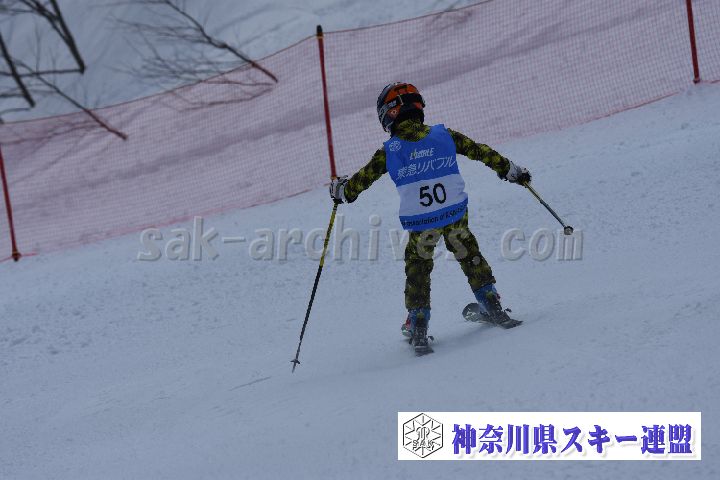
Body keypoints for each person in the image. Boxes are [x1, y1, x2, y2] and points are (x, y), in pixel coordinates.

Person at [329, 82, 531, 352]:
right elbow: (481, 151)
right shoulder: (444, 135)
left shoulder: (390, 150)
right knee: (468, 252)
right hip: (454, 212)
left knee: (418, 266)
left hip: (421, 221)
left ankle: (418, 321)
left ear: (388, 114)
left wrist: (341, 191)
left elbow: (355, 187)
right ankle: (490, 301)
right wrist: (510, 170)